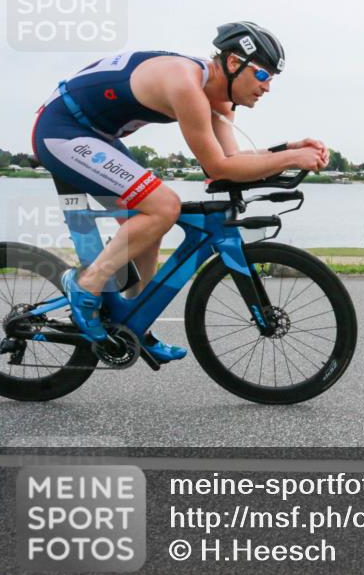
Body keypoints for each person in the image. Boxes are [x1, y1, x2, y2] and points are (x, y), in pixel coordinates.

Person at [31, 21, 328, 362]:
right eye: (263, 75)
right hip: (62, 130)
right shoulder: (187, 85)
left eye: (272, 79)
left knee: (150, 214)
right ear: (234, 63)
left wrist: (287, 150)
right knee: (163, 206)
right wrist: (291, 157)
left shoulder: (219, 100)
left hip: (96, 135)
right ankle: (85, 284)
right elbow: (217, 168)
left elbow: (230, 160)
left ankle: (135, 323)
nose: (268, 87)